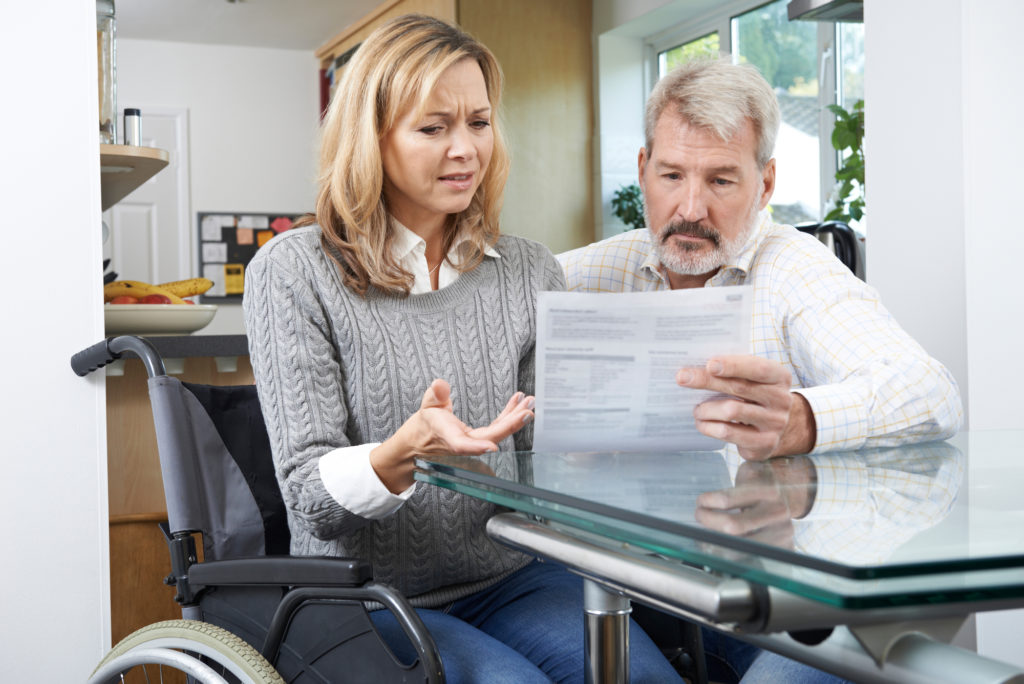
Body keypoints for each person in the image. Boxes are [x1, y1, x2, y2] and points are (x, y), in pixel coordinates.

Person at [243, 14, 682, 684]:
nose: (465, 149)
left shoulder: (529, 269)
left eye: (478, 122)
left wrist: (632, 424)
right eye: (433, 127)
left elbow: (549, 464)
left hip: (513, 576)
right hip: (362, 595)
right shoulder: (293, 271)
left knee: (641, 678)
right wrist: (403, 454)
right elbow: (310, 501)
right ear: (373, 137)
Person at [559, 58, 963, 683]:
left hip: (786, 593)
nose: (690, 208)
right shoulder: (588, 274)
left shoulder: (794, 268)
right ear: (643, 170)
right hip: (642, 585)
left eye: (722, 181)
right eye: (671, 175)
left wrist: (801, 419)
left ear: (766, 183)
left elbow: (931, 393)